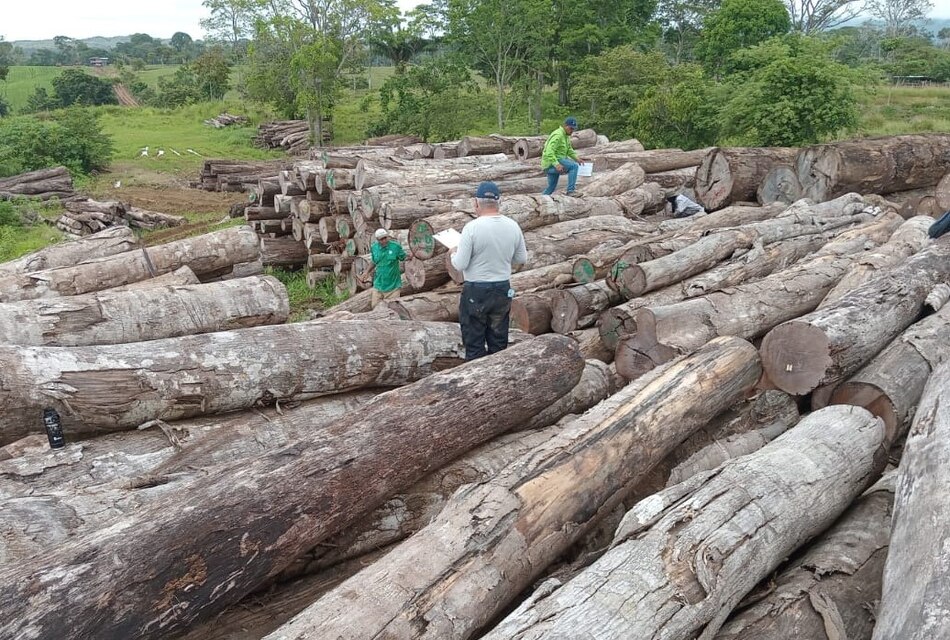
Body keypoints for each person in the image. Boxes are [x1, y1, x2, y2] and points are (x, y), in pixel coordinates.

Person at [450, 181, 528, 360]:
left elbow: (460, 264)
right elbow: (521, 259)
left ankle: (478, 380)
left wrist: (453, 253)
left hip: (476, 291)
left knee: (474, 343)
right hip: (502, 289)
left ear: (476, 203)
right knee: (499, 342)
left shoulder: (472, 228)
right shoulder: (512, 226)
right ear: (498, 202)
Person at [541, 116, 583, 197]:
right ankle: (571, 191)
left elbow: (569, 150)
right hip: (550, 163)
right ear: (565, 126)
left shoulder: (566, 136)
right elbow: (549, 151)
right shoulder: (558, 135)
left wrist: (577, 158)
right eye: (571, 128)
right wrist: (556, 164)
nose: (572, 131)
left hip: (555, 162)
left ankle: (540, 199)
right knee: (574, 166)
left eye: (573, 129)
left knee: (551, 187)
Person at [369, 228, 406, 308]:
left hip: (393, 287)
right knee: (375, 308)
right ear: (377, 240)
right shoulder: (374, 248)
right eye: (381, 239)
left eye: (385, 238)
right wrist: (366, 272)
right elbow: (374, 261)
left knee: (393, 310)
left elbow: (404, 257)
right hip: (378, 285)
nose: (384, 241)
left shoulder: (395, 247)